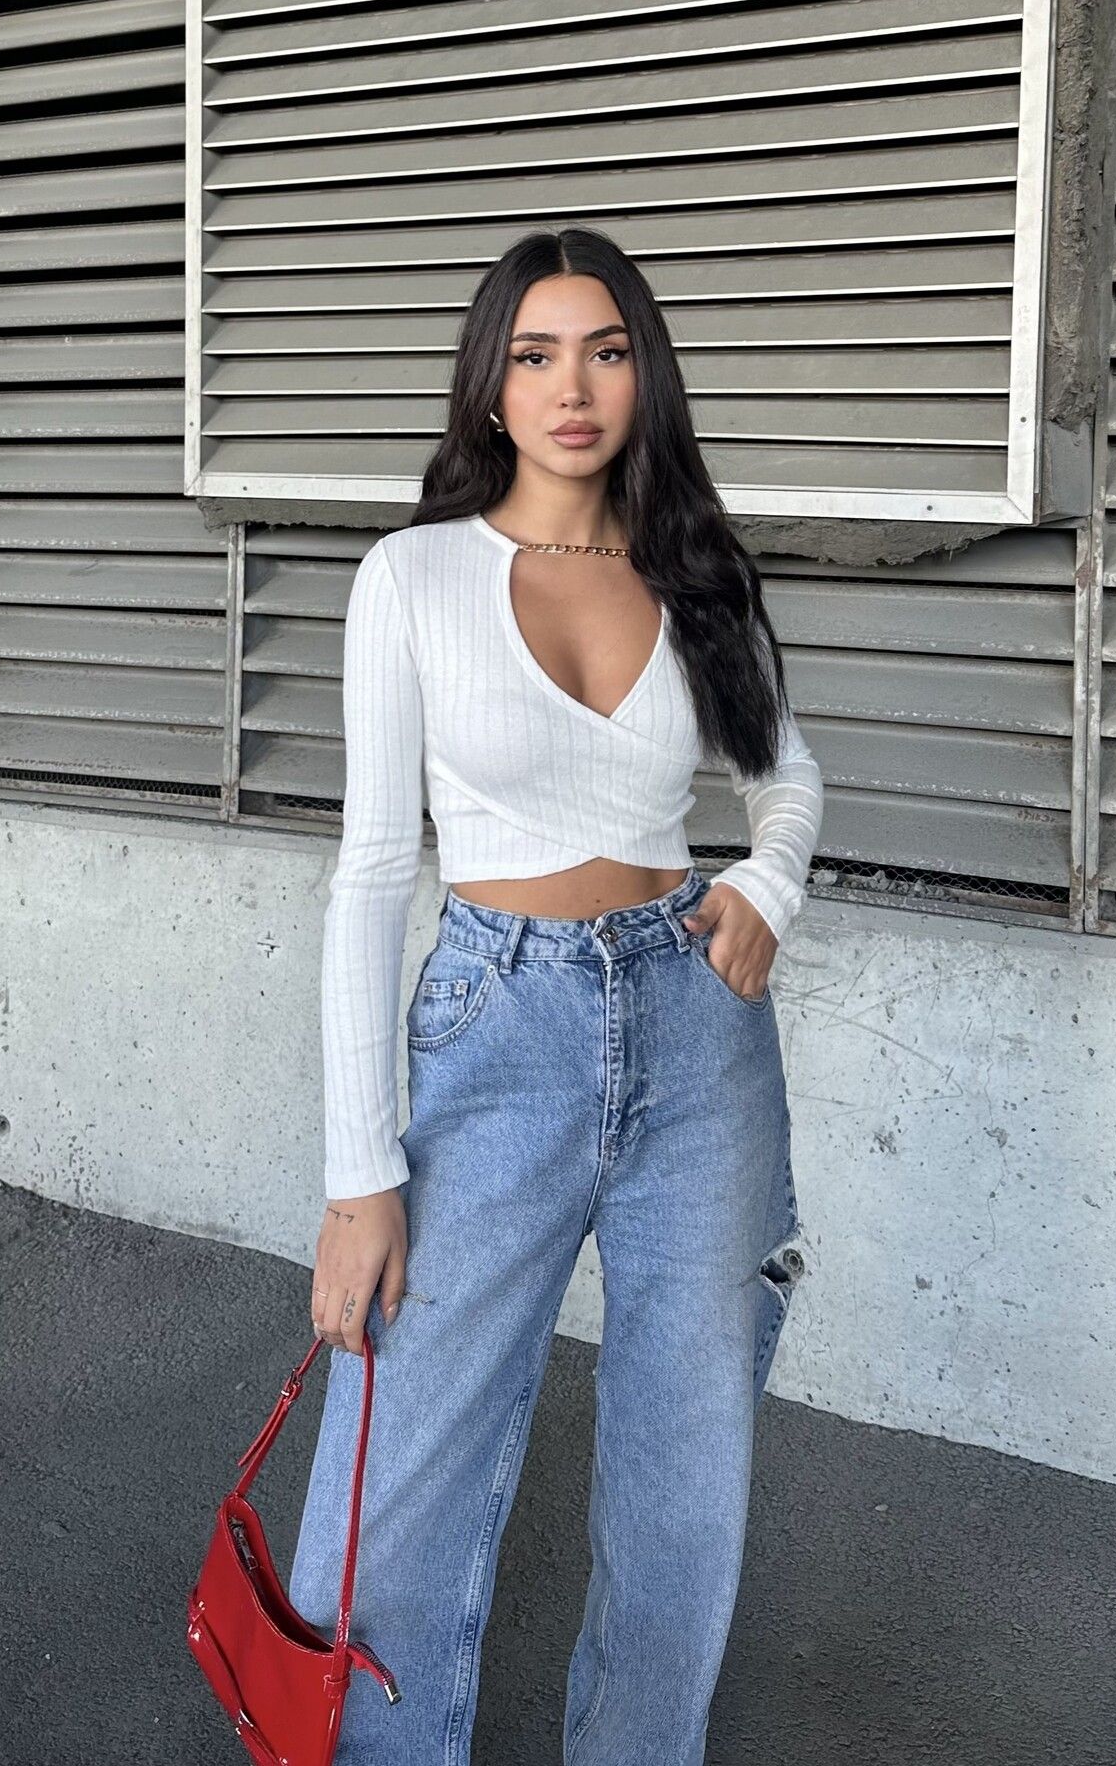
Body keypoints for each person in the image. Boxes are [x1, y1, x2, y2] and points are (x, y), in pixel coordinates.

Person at [287, 225, 824, 1766]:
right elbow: (371, 875)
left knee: (684, 1479)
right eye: (535, 354)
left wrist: (765, 885)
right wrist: (358, 1175)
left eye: (604, 351)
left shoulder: (696, 571)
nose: (571, 388)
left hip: (698, 1033)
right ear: (492, 384)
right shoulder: (413, 578)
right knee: (397, 1469)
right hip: (495, 1023)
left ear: (644, 377)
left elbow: (785, 776)